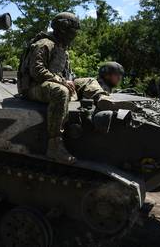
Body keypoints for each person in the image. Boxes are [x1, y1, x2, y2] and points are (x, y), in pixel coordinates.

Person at [18, 12, 131, 164]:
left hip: (51, 82)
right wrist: (62, 82)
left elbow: (66, 73)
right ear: (63, 28)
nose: (74, 35)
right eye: (72, 31)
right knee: (61, 92)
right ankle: (54, 145)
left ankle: (102, 99)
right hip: (33, 87)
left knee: (88, 80)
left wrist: (68, 81)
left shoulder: (62, 48)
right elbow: (36, 71)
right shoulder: (44, 43)